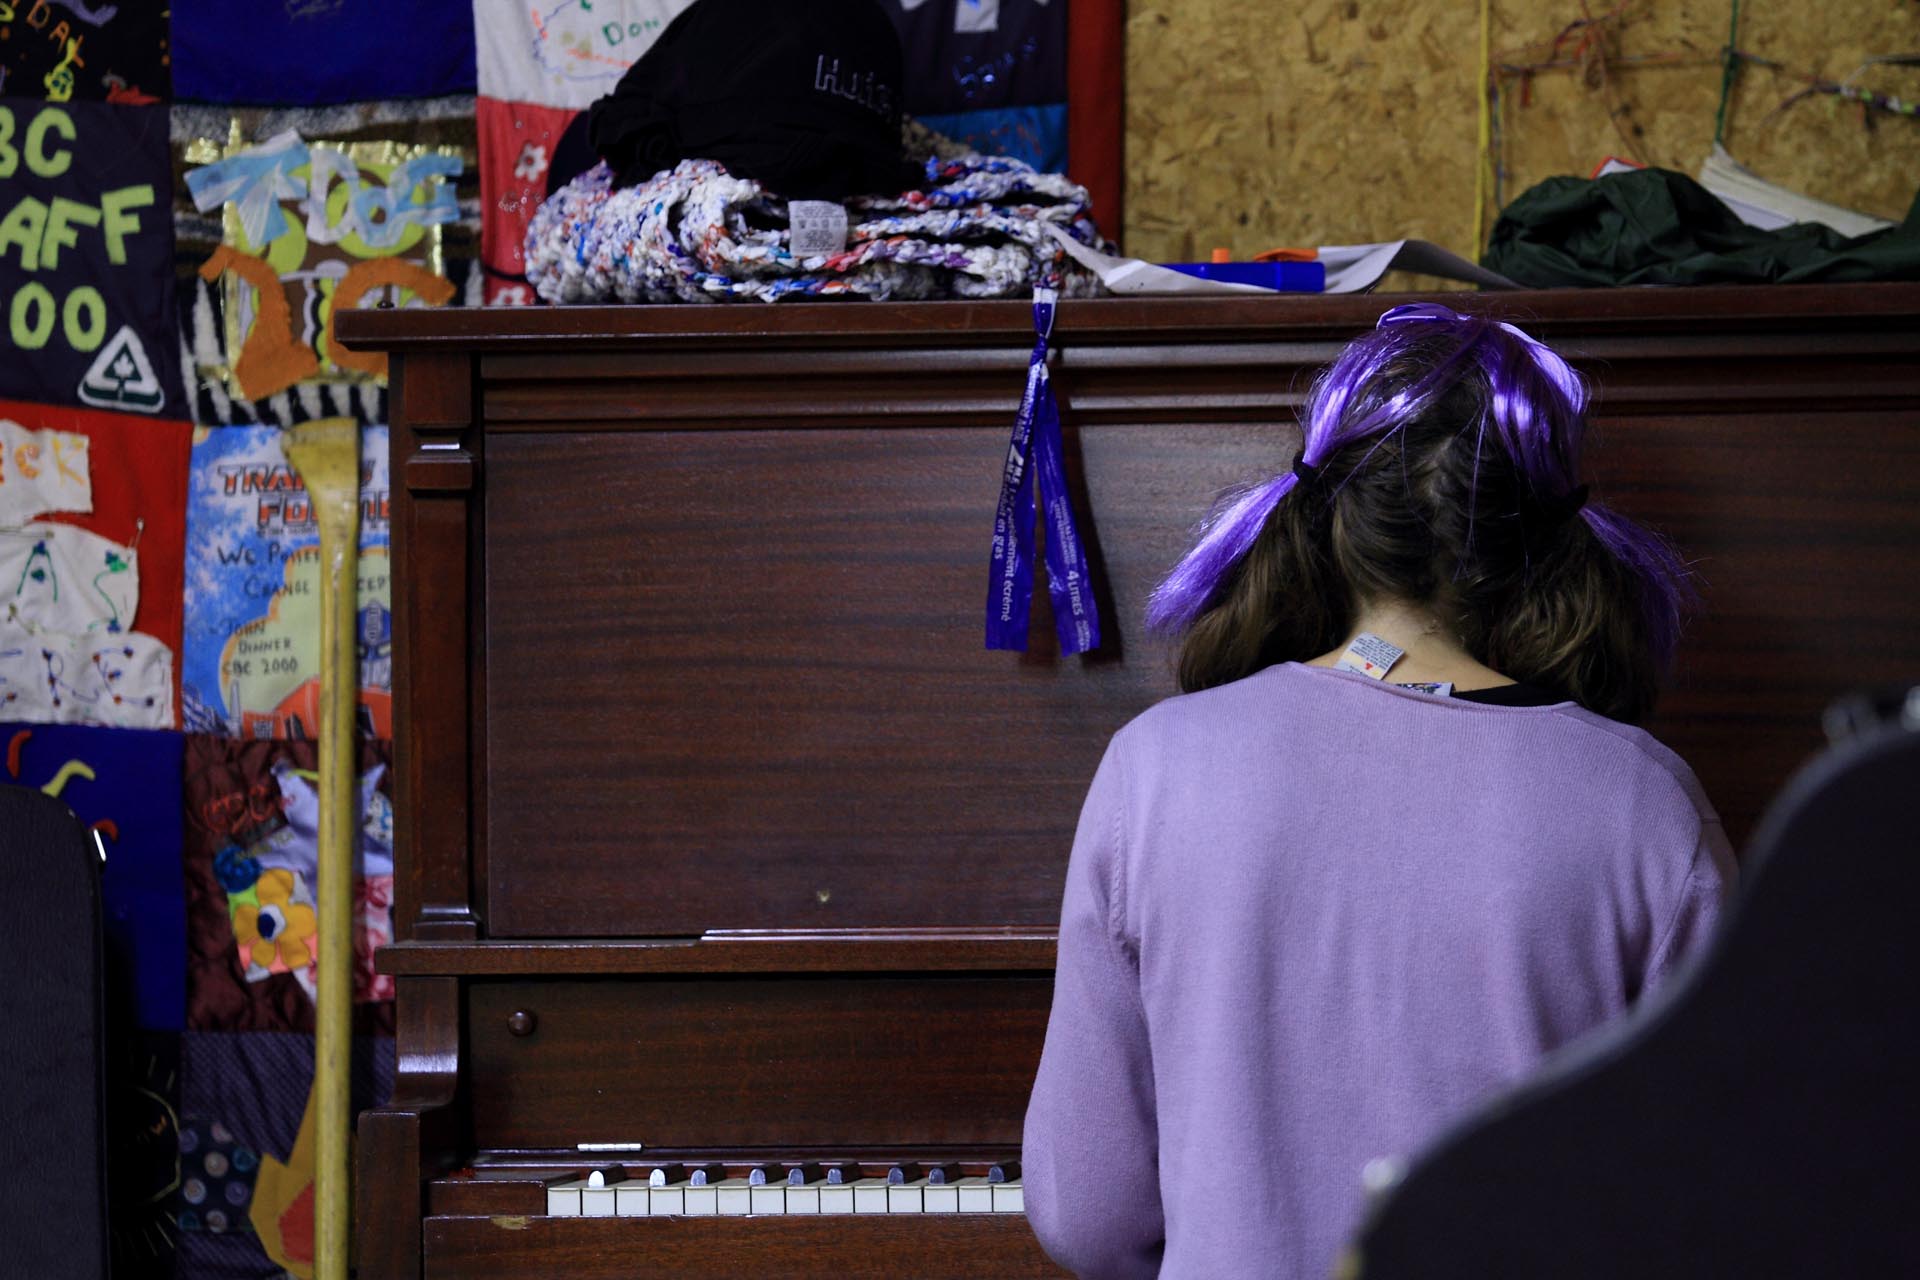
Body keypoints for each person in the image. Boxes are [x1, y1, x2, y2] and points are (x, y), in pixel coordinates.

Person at [1021, 303, 1736, 1280]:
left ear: (1333, 512)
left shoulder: (1154, 767)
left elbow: (1087, 1215)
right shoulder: (1645, 802)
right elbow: (1713, 1199)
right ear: (1548, 529)